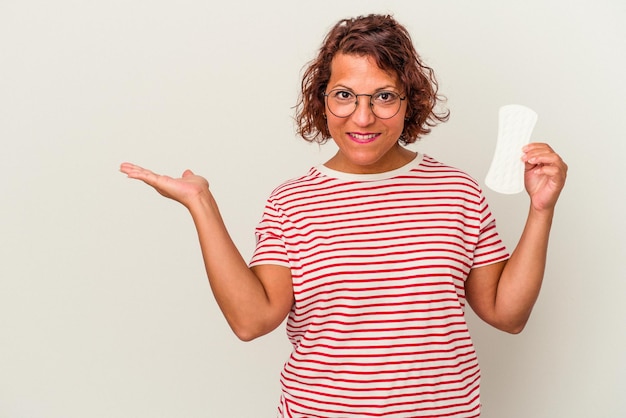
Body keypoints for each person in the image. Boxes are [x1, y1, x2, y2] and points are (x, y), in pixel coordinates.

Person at [120, 14, 567, 418]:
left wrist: (540, 209)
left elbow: (507, 314)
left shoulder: (456, 193)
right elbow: (251, 320)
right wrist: (202, 204)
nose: (363, 116)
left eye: (384, 96)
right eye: (345, 95)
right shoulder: (290, 203)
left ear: (411, 99)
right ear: (322, 100)